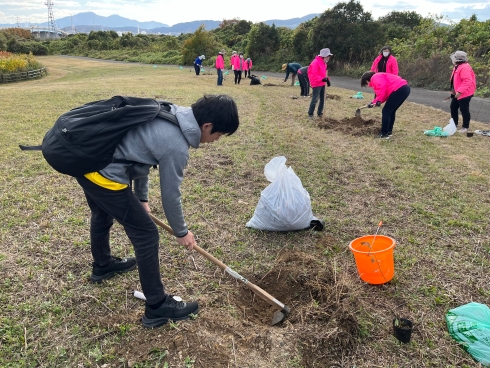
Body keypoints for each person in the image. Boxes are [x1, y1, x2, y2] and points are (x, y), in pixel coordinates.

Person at [77, 95, 240, 328]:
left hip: (87, 161)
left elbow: (140, 155)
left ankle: (103, 265)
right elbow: (171, 196)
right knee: (147, 235)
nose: (216, 140)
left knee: (102, 214)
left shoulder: (171, 112)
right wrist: (181, 232)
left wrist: (142, 198)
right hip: (103, 172)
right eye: (219, 135)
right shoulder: (176, 144)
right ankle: (157, 306)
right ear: (207, 126)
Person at [361, 71, 411, 139]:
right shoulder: (380, 76)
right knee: (391, 111)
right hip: (405, 88)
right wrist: (373, 102)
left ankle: (384, 134)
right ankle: (388, 132)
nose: (369, 85)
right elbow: (384, 95)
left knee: (386, 112)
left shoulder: (375, 77)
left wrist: (378, 100)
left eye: (366, 83)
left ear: (367, 80)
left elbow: (382, 87)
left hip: (399, 89)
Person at [448, 50, 476, 133]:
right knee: (453, 107)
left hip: (465, 93)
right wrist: (454, 90)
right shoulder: (457, 66)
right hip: (458, 91)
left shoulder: (465, 67)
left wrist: (459, 92)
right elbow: (455, 79)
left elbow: (467, 81)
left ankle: (465, 127)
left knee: (464, 109)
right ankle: (454, 124)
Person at [307, 48, 332, 119]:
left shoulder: (324, 63)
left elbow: (324, 74)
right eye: (328, 56)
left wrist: (327, 80)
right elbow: (312, 75)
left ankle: (319, 113)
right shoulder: (315, 62)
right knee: (315, 99)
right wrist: (322, 79)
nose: (329, 58)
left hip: (322, 83)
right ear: (323, 56)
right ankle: (310, 114)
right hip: (316, 83)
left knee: (323, 98)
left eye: (329, 56)